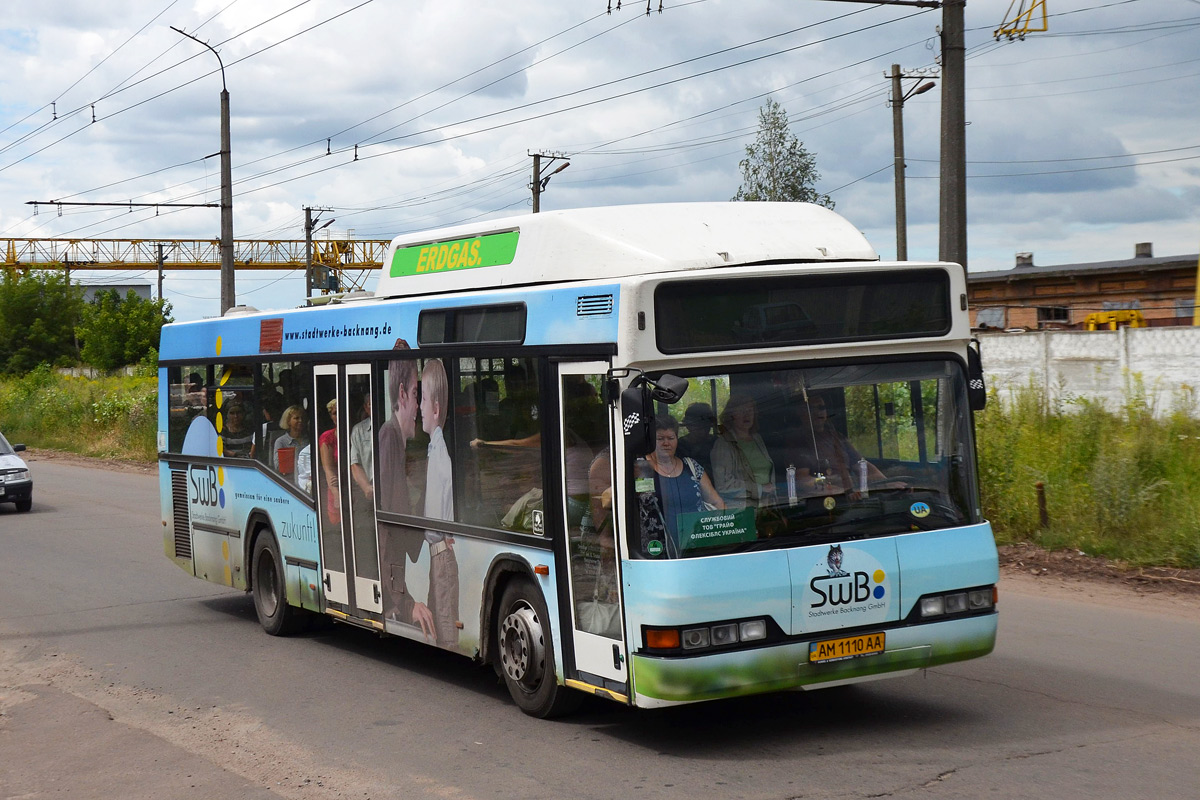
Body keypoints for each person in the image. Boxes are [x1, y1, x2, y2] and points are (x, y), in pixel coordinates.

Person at [376, 341, 435, 639]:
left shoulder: (399, 440)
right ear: (401, 394)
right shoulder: (389, 437)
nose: (418, 407)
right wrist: (403, 600)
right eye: (415, 395)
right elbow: (389, 526)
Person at [420, 358, 460, 649]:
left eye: (422, 400)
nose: (419, 408)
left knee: (446, 627)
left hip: (442, 557)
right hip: (437, 556)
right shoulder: (434, 449)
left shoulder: (440, 455)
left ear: (435, 409)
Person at [643, 415, 724, 551]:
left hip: (695, 547)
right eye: (660, 439)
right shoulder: (641, 468)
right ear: (651, 440)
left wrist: (716, 534)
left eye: (671, 438)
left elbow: (717, 503)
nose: (666, 443)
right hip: (655, 550)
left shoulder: (692, 467)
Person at [793, 393, 890, 496]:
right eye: (812, 409)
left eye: (821, 407)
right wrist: (835, 490)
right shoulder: (797, 441)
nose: (818, 412)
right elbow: (802, 480)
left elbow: (862, 466)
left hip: (851, 497)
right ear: (801, 412)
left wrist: (887, 484)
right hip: (825, 502)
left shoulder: (837, 437)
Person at [711, 392, 776, 509]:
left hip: (766, 507)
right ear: (731, 415)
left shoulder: (757, 438)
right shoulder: (723, 444)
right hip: (741, 511)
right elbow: (723, 485)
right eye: (741, 410)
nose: (747, 414)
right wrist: (760, 489)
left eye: (750, 410)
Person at [677, 402, 716, 477]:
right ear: (688, 425)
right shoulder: (679, 447)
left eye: (705, 425)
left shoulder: (717, 444)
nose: (702, 430)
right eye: (697, 425)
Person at [318, 398, 340, 529]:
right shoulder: (327, 437)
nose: (338, 416)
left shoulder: (356, 432)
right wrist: (337, 495)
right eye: (335, 413)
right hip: (336, 487)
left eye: (341, 412)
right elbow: (328, 469)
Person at [272, 405, 308, 481]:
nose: (300, 421)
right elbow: (278, 466)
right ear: (288, 421)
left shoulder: (309, 439)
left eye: (302, 418)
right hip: (289, 481)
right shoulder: (281, 441)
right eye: (296, 418)